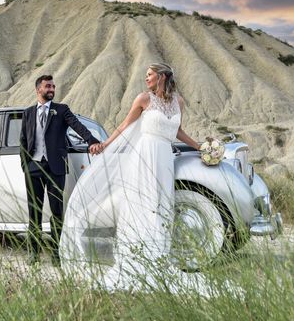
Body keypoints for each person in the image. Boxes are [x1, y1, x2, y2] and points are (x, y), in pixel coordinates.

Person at [60, 63, 202, 290]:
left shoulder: (179, 102)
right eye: (145, 75)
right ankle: (136, 257)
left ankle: (158, 257)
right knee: (143, 204)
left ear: (162, 76)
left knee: (161, 204)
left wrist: (199, 146)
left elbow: (177, 131)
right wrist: (105, 144)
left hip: (164, 157)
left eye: (149, 75)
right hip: (145, 155)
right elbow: (125, 125)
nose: (146, 78)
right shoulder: (143, 99)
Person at [20, 74, 101, 266]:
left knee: (56, 212)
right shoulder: (28, 113)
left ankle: (56, 253)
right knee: (34, 213)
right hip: (33, 168)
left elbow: (77, 125)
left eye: (53, 86)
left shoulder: (61, 110)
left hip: (56, 167)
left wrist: (92, 140)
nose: (52, 89)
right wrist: (25, 164)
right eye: (48, 86)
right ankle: (34, 253)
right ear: (38, 89)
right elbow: (23, 140)